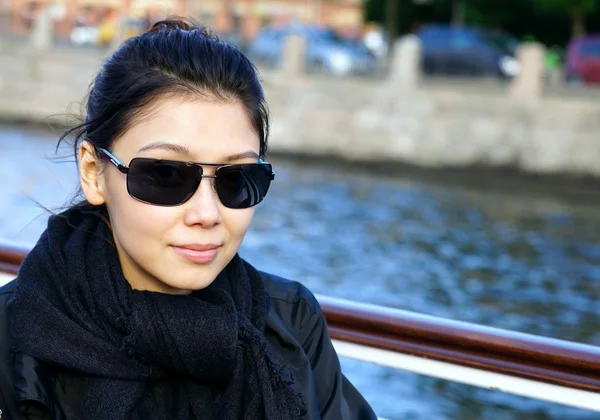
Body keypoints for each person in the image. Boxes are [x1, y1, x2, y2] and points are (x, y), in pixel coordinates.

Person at [0, 18, 377, 420]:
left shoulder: (290, 321)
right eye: (166, 175)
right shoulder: (13, 336)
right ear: (94, 172)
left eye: (237, 180)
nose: (207, 213)